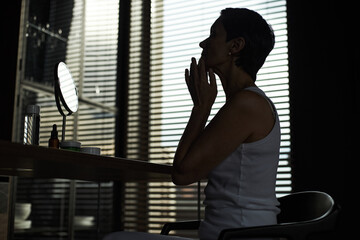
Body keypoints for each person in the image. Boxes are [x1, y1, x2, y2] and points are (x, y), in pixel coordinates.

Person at [104, 7, 279, 240]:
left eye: (213, 34)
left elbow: (183, 174)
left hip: (238, 234)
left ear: (235, 46)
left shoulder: (247, 104)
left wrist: (201, 107)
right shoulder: (243, 103)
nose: (202, 44)